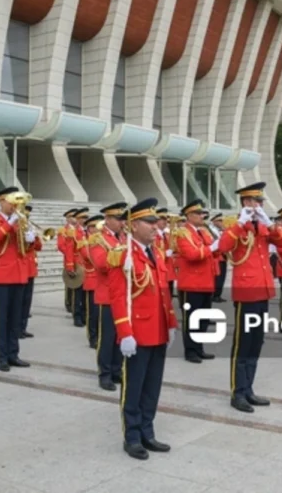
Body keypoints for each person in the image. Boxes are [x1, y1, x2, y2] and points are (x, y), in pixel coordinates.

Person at [108, 197, 177, 460]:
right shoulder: (122, 255)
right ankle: (133, 436)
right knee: (134, 387)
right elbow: (118, 297)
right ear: (134, 225)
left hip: (157, 330)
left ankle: (148, 431)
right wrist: (125, 333)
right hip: (137, 333)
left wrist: (170, 323)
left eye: (155, 221)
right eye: (149, 222)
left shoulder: (156, 252)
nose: (155, 226)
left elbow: (163, 293)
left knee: (152, 386)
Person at [217, 182, 282, 413]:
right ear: (246, 202)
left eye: (261, 201)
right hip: (247, 292)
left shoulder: (262, 226)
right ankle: (238, 392)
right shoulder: (234, 225)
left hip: (263, 290)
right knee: (243, 343)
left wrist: (269, 223)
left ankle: (248, 389)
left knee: (257, 342)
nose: (260, 205)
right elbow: (223, 246)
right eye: (257, 201)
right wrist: (240, 223)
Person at [0, 187, 33, 372]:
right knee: (3, 318)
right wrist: (9, 224)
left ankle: (14, 354)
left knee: (15, 318)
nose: (15, 205)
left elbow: (30, 248)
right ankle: (3, 357)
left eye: (17, 201)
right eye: (11, 201)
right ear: (1, 201)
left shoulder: (20, 220)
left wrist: (32, 238)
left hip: (19, 275)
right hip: (3, 276)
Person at [172, 199, 219, 364]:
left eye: (202, 213)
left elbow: (214, 252)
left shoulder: (203, 232)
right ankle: (190, 350)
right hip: (191, 283)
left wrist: (219, 246)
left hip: (206, 281)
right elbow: (192, 255)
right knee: (192, 319)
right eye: (198, 213)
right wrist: (212, 248)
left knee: (203, 319)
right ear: (189, 215)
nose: (202, 216)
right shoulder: (182, 233)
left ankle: (199, 348)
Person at [89, 202, 128, 390]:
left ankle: (116, 370)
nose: (122, 223)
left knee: (121, 335)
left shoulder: (124, 237)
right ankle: (104, 374)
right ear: (108, 219)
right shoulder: (97, 239)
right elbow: (101, 264)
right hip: (107, 295)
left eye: (123, 219)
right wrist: (124, 256)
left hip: (123, 294)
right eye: (119, 219)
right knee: (107, 338)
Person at [20, 204, 43, 338]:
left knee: (27, 301)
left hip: (30, 268)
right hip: (21, 267)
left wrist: (35, 236)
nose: (27, 216)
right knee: (19, 301)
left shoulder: (29, 227)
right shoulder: (18, 228)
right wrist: (26, 238)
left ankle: (23, 327)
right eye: (25, 214)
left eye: (28, 215)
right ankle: (16, 328)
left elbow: (38, 247)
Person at [81, 214, 101, 349]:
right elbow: (88, 257)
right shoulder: (85, 242)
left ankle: (100, 336)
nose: (96, 229)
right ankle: (92, 337)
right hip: (92, 279)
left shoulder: (102, 241)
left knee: (101, 313)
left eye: (97, 226)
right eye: (93, 226)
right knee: (93, 313)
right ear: (88, 228)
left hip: (102, 281)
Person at [209, 213, 228, 303]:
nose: (221, 222)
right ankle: (214, 295)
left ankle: (218, 294)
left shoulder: (221, 230)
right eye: (219, 221)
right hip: (217, 256)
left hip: (223, 255)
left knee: (222, 276)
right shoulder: (211, 231)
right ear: (214, 221)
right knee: (217, 277)